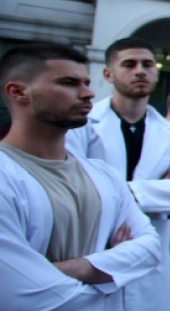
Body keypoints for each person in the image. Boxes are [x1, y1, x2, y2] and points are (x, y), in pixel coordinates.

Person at [0, 44, 161, 309]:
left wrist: (70, 269)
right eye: (68, 83)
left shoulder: (103, 175)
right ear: (18, 92)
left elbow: (149, 248)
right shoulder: (6, 175)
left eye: (86, 82)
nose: (88, 93)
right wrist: (112, 273)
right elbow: (26, 294)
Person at [67, 37, 170, 311]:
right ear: (108, 74)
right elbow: (76, 188)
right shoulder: (82, 125)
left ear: (157, 72)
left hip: (151, 257)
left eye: (147, 64)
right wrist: (156, 189)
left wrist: (113, 191)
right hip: (97, 248)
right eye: (129, 64)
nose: (140, 70)